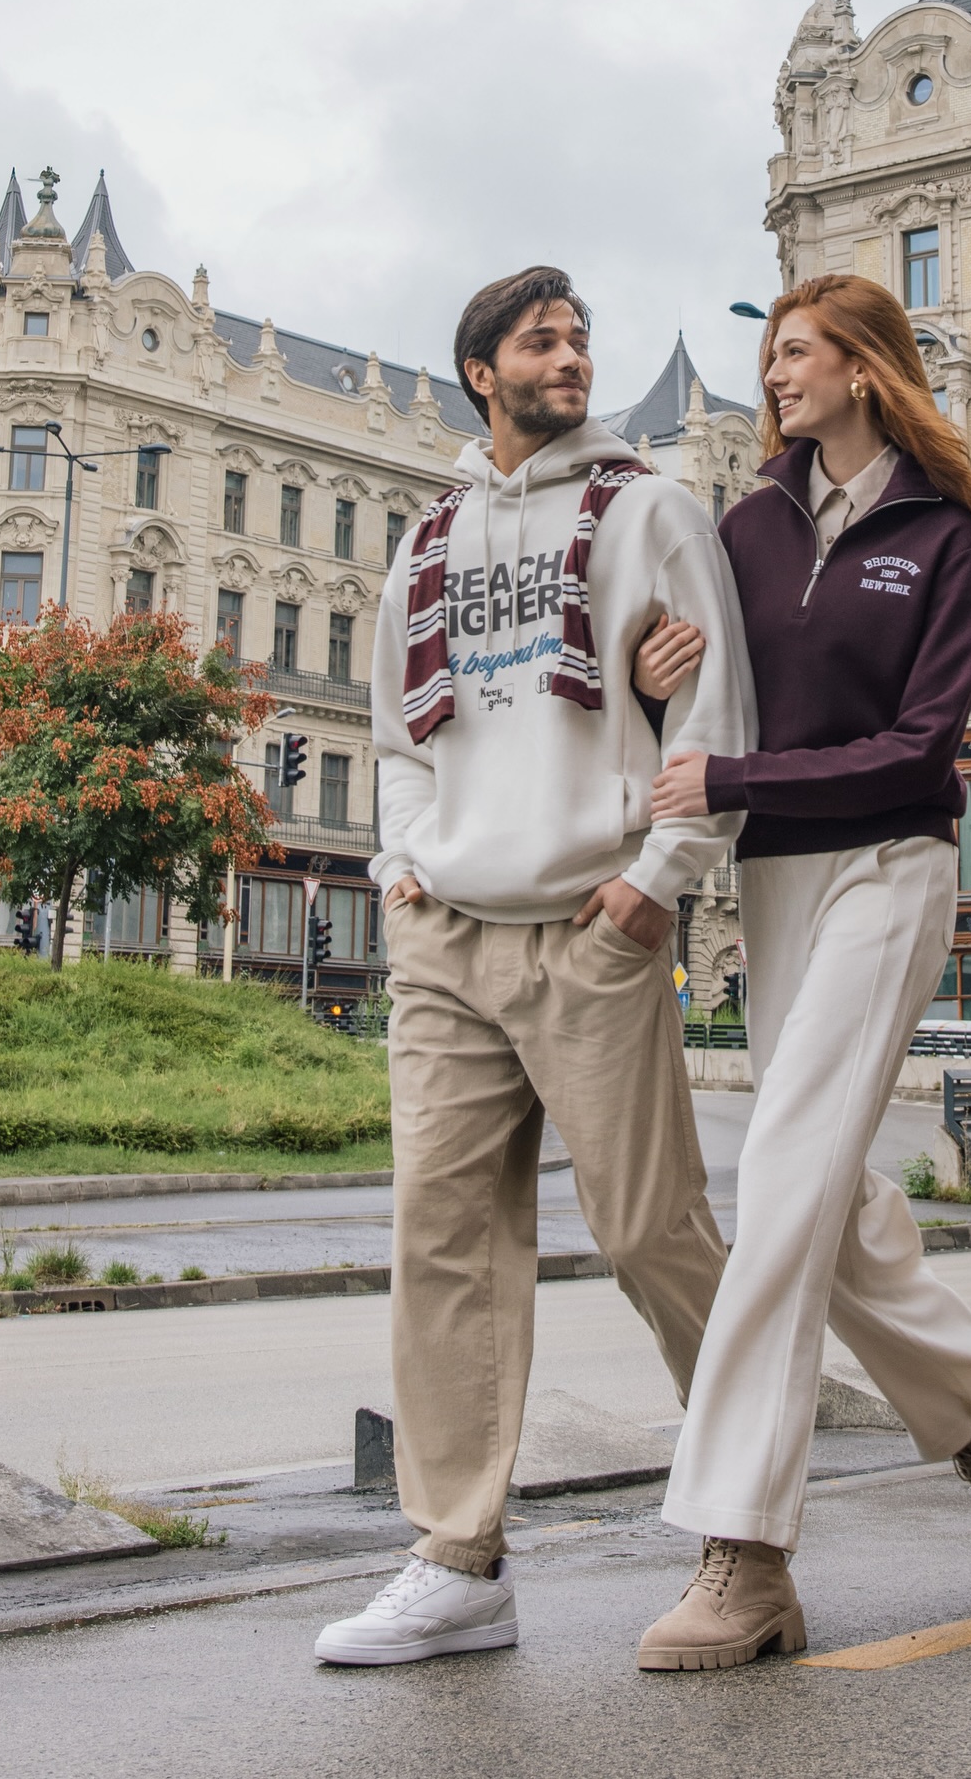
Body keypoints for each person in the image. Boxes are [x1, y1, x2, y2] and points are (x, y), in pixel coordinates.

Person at [314, 267, 755, 1666]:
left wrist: (653, 888)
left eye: (577, 336)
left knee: (651, 1233)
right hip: (446, 932)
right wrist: (398, 875)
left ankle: (749, 1524)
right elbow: (395, 734)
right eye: (540, 340)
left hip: (590, 921)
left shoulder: (648, 509)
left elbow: (714, 714)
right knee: (439, 1243)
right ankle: (456, 1554)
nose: (571, 355)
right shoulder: (428, 535)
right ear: (482, 372)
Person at [632, 273, 971, 1674]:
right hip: (777, 875)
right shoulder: (743, 526)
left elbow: (923, 749)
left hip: (889, 866)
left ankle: (744, 1551)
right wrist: (653, 678)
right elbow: (700, 705)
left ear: (867, 369)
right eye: (769, 360)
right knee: (845, 1207)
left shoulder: (942, 540)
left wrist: (733, 770)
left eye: (798, 354)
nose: (776, 380)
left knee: (786, 1183)